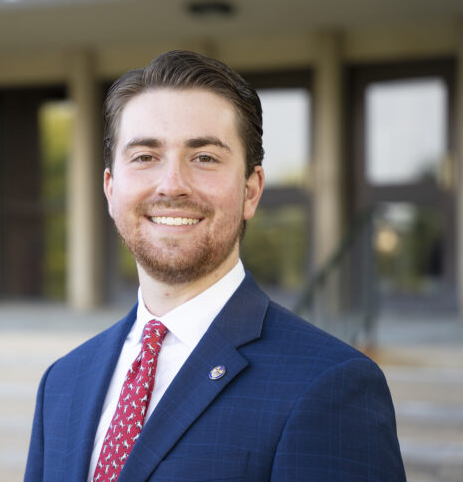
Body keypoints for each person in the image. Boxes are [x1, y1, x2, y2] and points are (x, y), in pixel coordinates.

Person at [24, 50, 405, 481]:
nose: (171, 185)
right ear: (111, 189)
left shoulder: (331, 387)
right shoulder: (63, 383)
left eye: (204, 157)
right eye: (145, 156)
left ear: (251, 190)